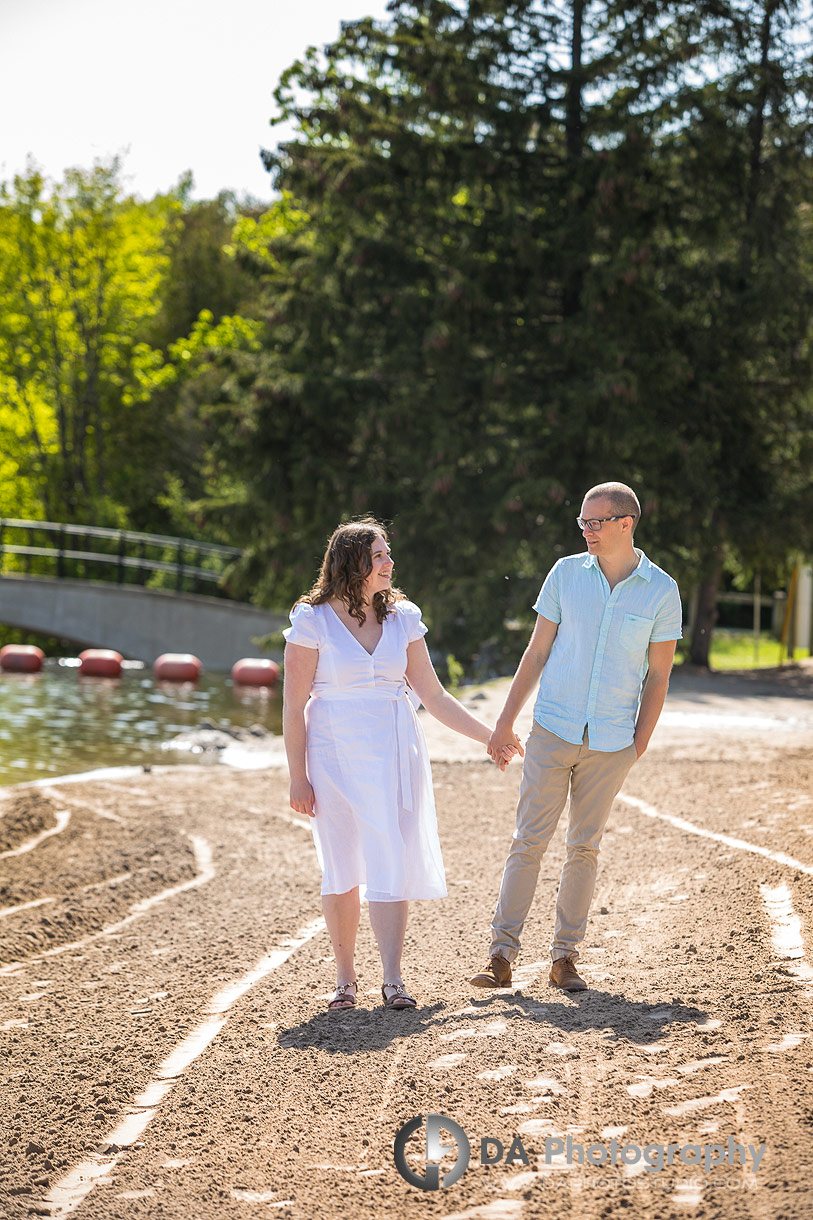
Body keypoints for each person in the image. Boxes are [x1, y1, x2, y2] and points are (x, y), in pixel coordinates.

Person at [283, 518, 522, 1012]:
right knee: (341, 865)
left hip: (395, 750)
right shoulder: (312, 621)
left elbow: (432, 695)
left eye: (388, 553)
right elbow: (291, 707)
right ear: (352, 562)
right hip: (332, 753)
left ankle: (393, 979)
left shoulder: (403, 618)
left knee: (391, 853)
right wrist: (297, 776)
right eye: (379, 555)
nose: (390, 562)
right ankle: (346, 980)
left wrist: (490, 737)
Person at [470, 482, 682, 992]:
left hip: (612, 741)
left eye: (596, 522)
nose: (586, 530)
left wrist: (640, 742)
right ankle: (501, 954)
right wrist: (504, 722)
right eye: (582, 522)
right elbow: (536, 652)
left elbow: (659, 676)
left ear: (625, 524)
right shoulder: (565, 574)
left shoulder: (662, 590)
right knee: (528, 841)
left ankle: (564, 957)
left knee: (584, 848)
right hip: (553, 727)